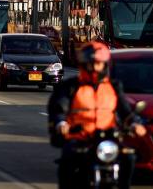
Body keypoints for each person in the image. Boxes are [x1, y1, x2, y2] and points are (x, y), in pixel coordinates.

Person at [48, 41, 147, 189]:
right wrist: (62, 124)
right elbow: (59, 108)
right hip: (80, 138)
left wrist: (135, 123)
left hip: (108, 138)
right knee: (68, 160)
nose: (95, 68)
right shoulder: (70, 87)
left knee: (129, 157)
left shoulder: (113, 86)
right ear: (84, 64)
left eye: (99, 64)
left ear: (105, 65)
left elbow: (125, 110)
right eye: (91, 64)